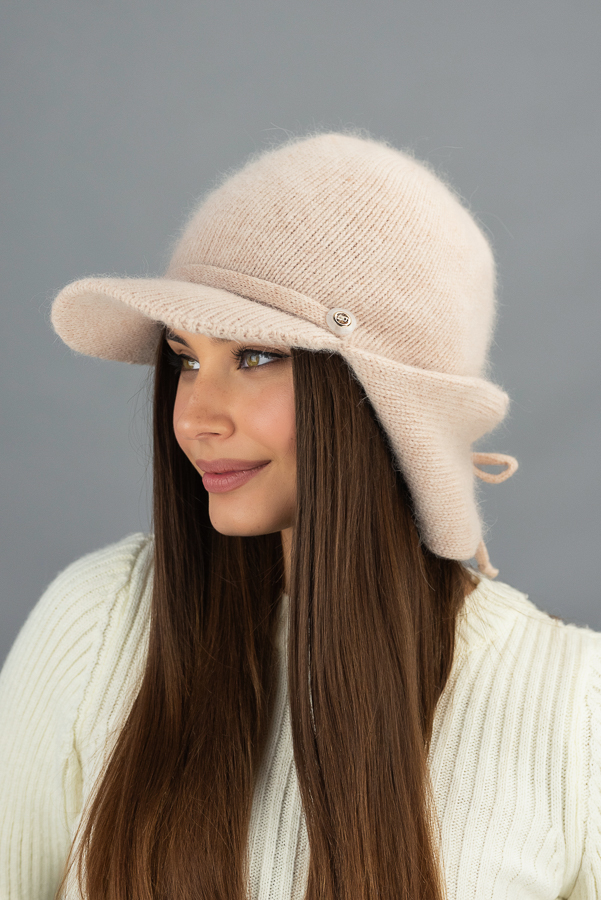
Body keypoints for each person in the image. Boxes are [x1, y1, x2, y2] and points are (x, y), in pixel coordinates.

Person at [0, 131, 599, 900]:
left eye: (254, 357)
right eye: (185, 358)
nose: (193, 417)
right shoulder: (101, 621)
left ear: (379, 400)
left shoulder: (572, 706)